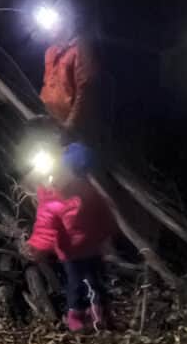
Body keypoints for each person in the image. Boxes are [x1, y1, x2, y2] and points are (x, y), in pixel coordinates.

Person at [21, 141, 117, 332]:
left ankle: (99, 316)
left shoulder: (87, 191)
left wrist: (106, 237)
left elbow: (103, 215)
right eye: (51, 175)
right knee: (77, 285)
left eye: (61, 173)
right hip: (71, 254)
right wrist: (37, 247)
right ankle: (76, 317)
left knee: (95, 282)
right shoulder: (50, 200)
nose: (55, 179)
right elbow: (45, 228)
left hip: (92, 248)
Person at [40, 19, 98, 133]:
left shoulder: (80, 48)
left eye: (55, 22)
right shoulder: (50, 52)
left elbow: (85, 88)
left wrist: (71, 124)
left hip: (78, 128)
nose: (50, 27)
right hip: (55, 123)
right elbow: (48, 84)